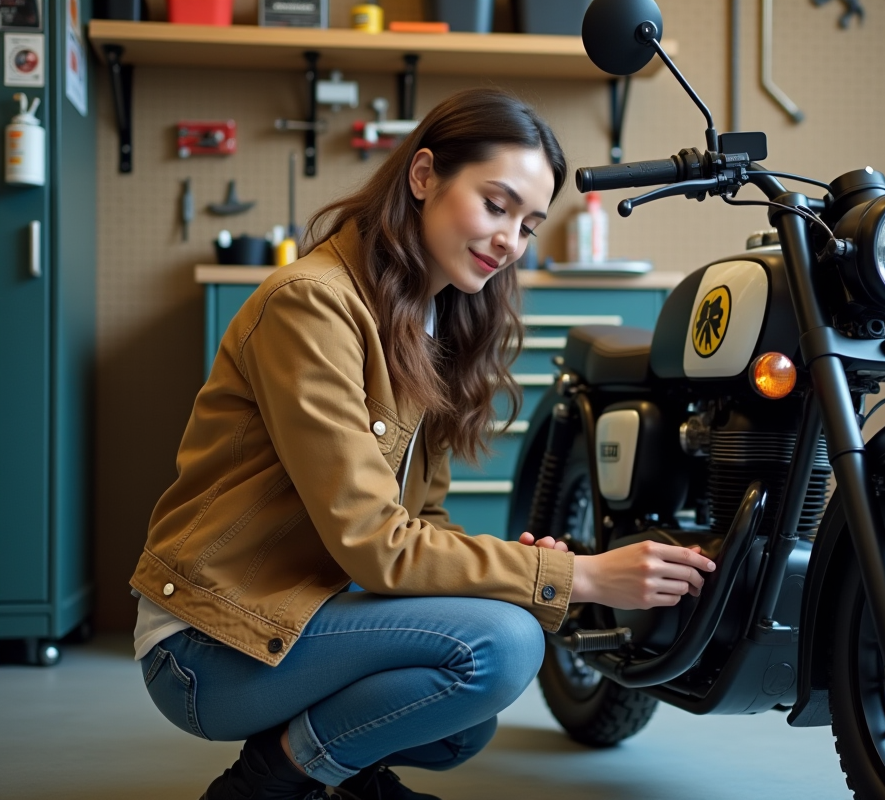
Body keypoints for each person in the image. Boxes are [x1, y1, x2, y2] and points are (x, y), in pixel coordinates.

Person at [129, 88, 716, 800]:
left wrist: (523, 577)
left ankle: (338, 772)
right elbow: (376, 545)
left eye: (528, 225)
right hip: (210, 646)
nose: (511, 242)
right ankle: (267, 785)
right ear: (424, 176)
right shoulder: (313, 305)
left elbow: (421, 524)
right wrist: (576, 577)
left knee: (462, 723)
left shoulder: (435, 323)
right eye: (496, 206)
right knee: (498, 647)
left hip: (303, 610)